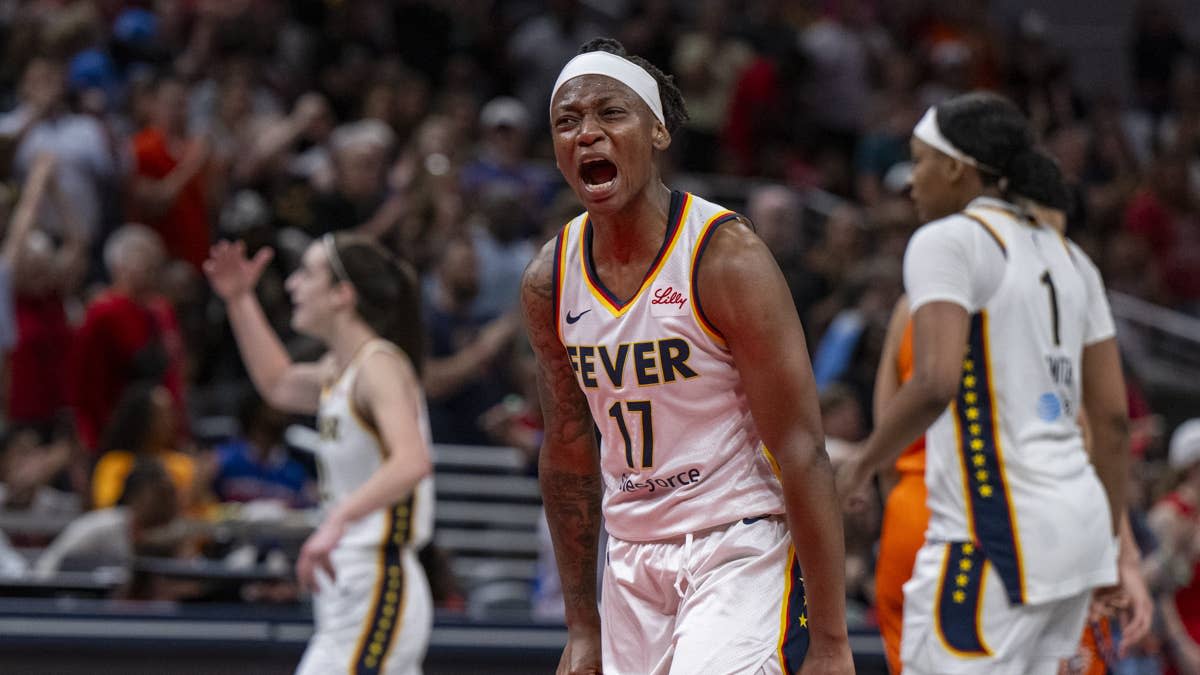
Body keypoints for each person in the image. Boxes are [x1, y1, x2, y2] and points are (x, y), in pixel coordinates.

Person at [521, 38, 853, 675]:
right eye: (567, 121)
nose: (586, 133)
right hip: (630, 558)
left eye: (609, 114)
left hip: (738, 541)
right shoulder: (549, 278)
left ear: (658, 131)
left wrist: (834, 641)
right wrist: (581, 626)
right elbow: (566, 449)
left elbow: (803, 447)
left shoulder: (725, 258)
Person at [836, 91, 1132, 674]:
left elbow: (936, 379)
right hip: (1079, 532)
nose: (912, 182)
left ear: (956, 167)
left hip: (993, 540)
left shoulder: (949, 241)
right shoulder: (1072, 257)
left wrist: (862, 462)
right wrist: (1110, 548)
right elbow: (1114, 421)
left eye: (920, 162)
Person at [204, 233, 434, 675]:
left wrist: (338, 519)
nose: (293, 285)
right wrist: (239, 300)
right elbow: (278, 383)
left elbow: (412, 460)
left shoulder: (379, 366)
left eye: (307, 274)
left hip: (377, 575)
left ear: (341, 295)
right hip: (349, 583)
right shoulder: (340, 371)